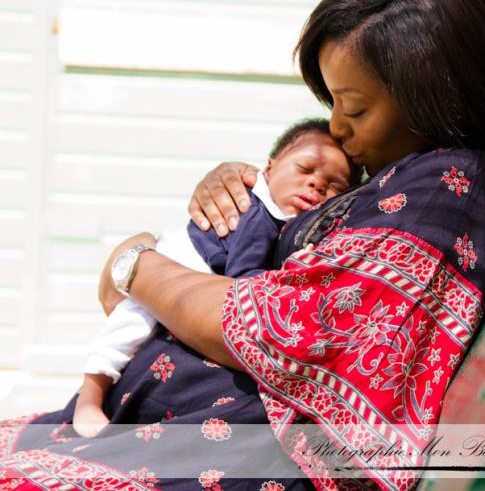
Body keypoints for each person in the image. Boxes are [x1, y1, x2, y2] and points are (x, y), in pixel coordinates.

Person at [0, 0, 485, 490]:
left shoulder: (450, 188)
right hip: (161, 434)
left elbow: (277, 326)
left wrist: (134, 263)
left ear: (434, 97)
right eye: (333, 102)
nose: (337, 127)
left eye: (355, 107)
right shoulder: (421, 171)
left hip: (231, 464)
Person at [72, 119, 359, 439]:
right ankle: (89, 398)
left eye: (335, 185)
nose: (318, 185)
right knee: (128, 329)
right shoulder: (258, 213)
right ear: (268, 169)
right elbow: (243, 277)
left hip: (184, 277)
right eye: (306, 169)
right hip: (175, 266)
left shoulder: (286, 219)